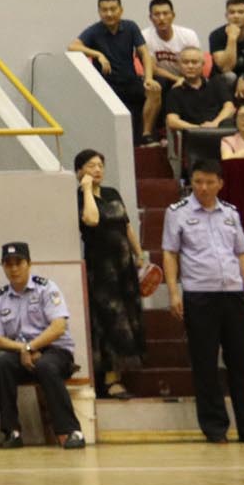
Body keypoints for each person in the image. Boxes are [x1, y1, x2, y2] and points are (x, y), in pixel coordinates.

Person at [163, 160, 244, 443]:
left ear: (220, 183)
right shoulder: (177, 212)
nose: (203, 188)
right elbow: (170, 253)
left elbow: (241, 253)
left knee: (240, 363)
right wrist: (174, 293)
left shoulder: (231, 212)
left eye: (209, 182)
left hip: (233, 294)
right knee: (205, 364)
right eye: (197, 182)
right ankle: (215, 427)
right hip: (199, 295)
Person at [0, 241, 86, 449]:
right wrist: (23, 349)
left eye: (18, 263)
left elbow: (58, 326)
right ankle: (12, 432)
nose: (14, 268)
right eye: (8, 264)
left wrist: (30, 347)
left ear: (29, 263)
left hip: (56, 350)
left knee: (45, 366)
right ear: (3, 267)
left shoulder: (46, 288)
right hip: (21, 352)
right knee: (4, 365)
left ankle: (71, 431)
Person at [75, 148, 146, 400]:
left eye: (100, 165)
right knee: (108, 320)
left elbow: (126, 225)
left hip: (124, 265)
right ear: (79, 171)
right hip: (101, 270)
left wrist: (140, 254)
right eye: (91, 165)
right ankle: (109, 378)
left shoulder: (113, 193)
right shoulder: (78, 197)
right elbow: (91, 220)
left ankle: (119, 373)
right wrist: (86, 189)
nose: (97, 170)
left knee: (128, 316)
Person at [71, 0, 158, 137]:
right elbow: (72, 47)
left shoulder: (130, 27)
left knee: (155, 90)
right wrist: (98, 54)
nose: (109, 14)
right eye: (104, 10)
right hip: (107, 86)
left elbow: (144, 54)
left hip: (130, 81)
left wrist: (148, 78)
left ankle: (146, 134)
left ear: (121, 10)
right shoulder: (94, 31)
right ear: (99, 12)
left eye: (113, 9)